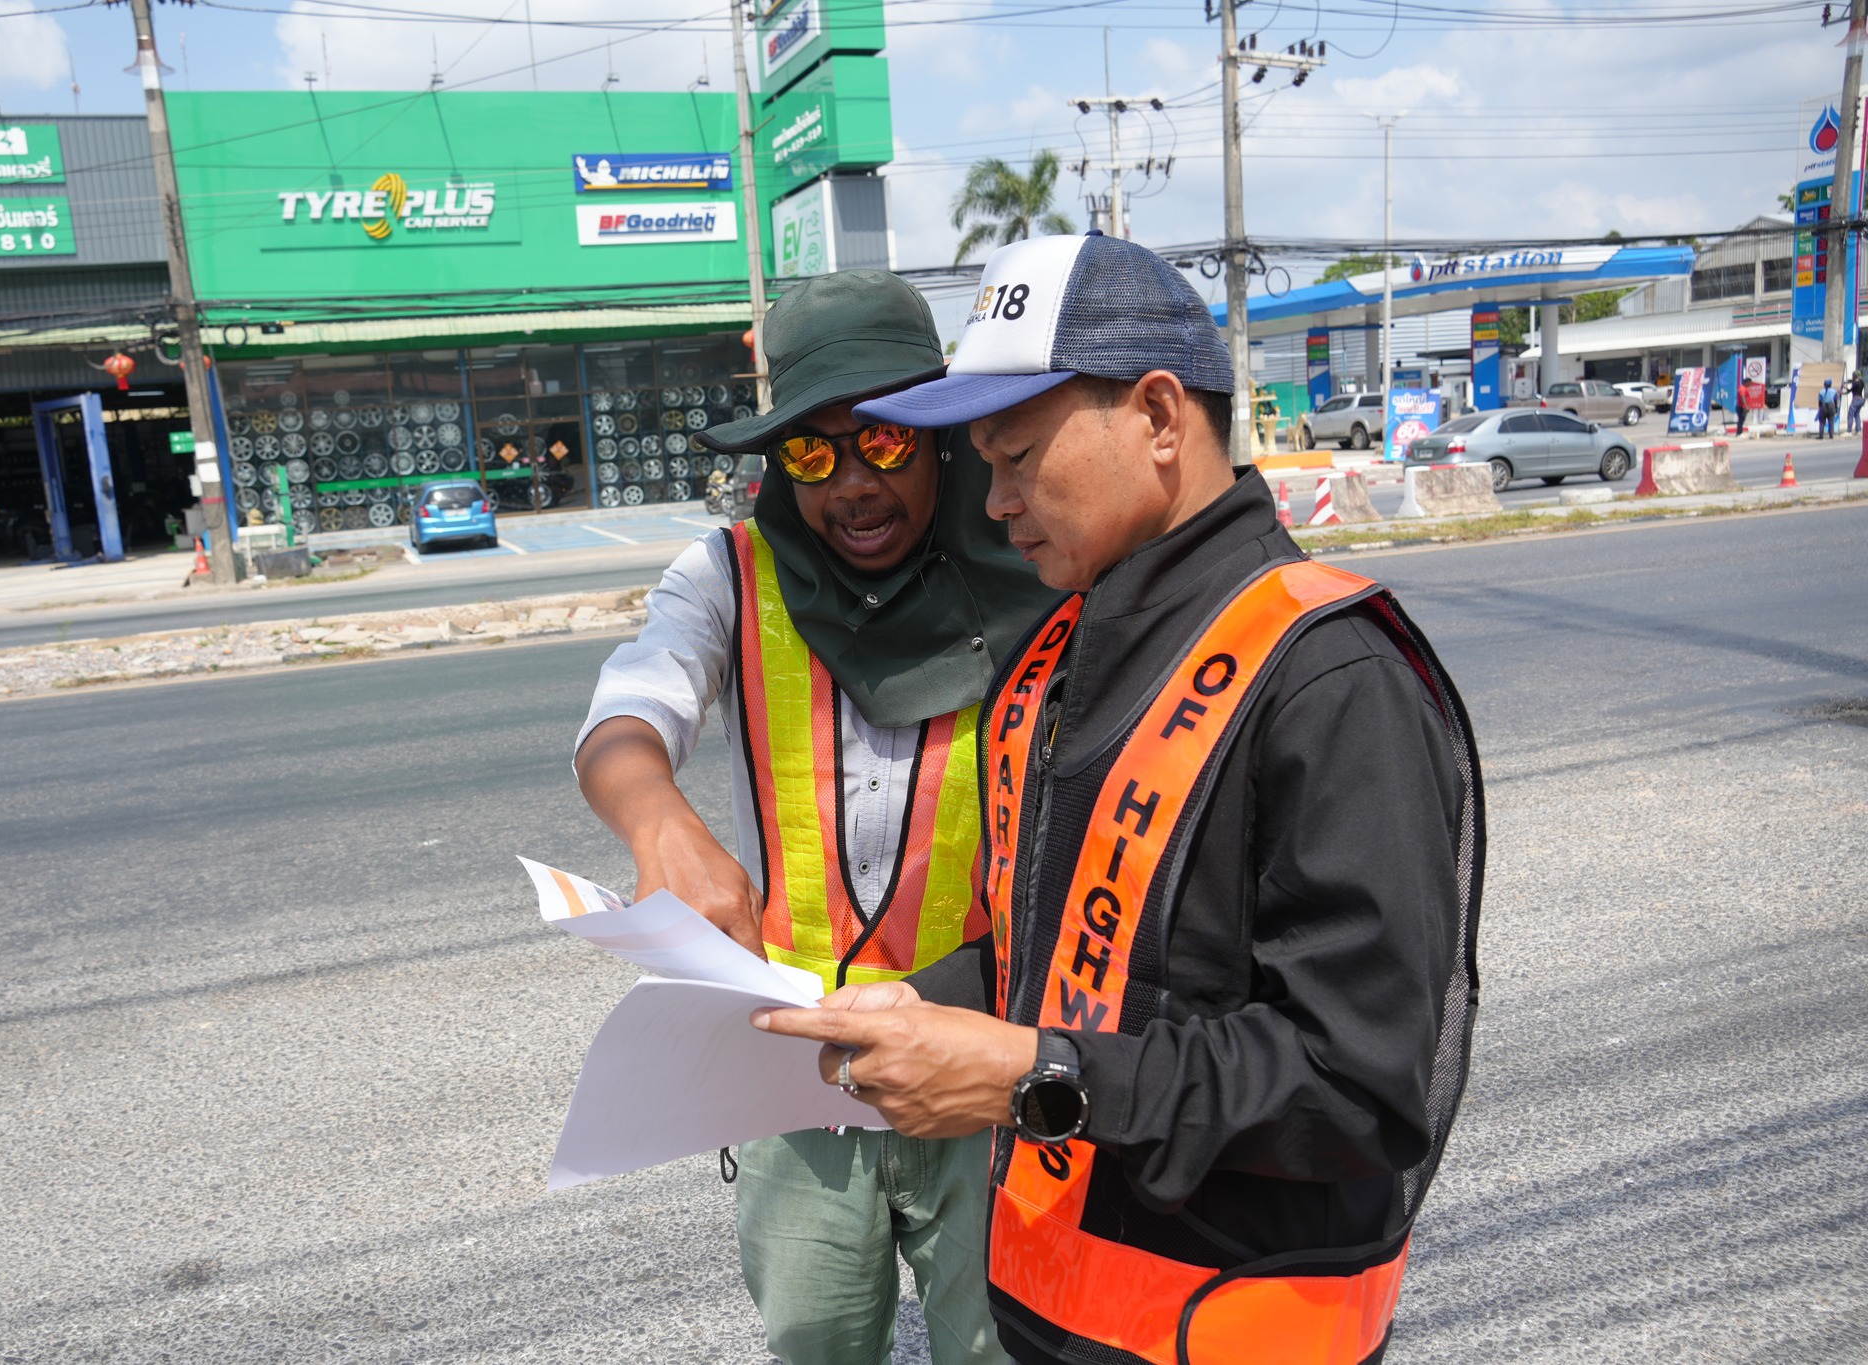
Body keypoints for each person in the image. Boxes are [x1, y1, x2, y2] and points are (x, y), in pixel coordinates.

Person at [756, 233, 1487, 1365]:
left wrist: (1030, 1078)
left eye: (1016, 457)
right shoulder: (1058, 654)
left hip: (1237, 1332)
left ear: (1157, 416)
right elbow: (1057, 957)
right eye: (981, 464)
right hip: (1053, 1320)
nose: (994, 501)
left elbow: (1353, 1087)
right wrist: (915, 1006)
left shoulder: (1331, 679)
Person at [573, 269, 1056, 1365]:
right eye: (810, 453)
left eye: (883, 441)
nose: (853, 484)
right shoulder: (728, 575)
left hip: (983, 1056)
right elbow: (624, 716)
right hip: (801, 1073)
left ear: (941, 437)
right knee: (817, 1342)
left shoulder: (1032, 574)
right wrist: (658, 821)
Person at [1737, 371, 1763, 437]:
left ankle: (1740, 432)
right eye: (1749, 383)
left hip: (1743, 406)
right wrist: (1746, 406)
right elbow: (1742, 397)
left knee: (1742, 420)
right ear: (1746, 382)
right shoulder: (1742, 389)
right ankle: (1739, 433)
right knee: (1741, 420)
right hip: (1742, 407)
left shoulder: (1744, 388)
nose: (1750, 385)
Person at [1848, 371, 1864, 436]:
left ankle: (1849, 431)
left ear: (1855, 376)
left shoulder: (1855, 383)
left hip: (1856, 399)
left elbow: (1849, 391)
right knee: (1857, 414)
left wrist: (1843, 388)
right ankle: (1858, 430)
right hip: (1861, 399)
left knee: (1850, 414)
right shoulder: (1862, 382)